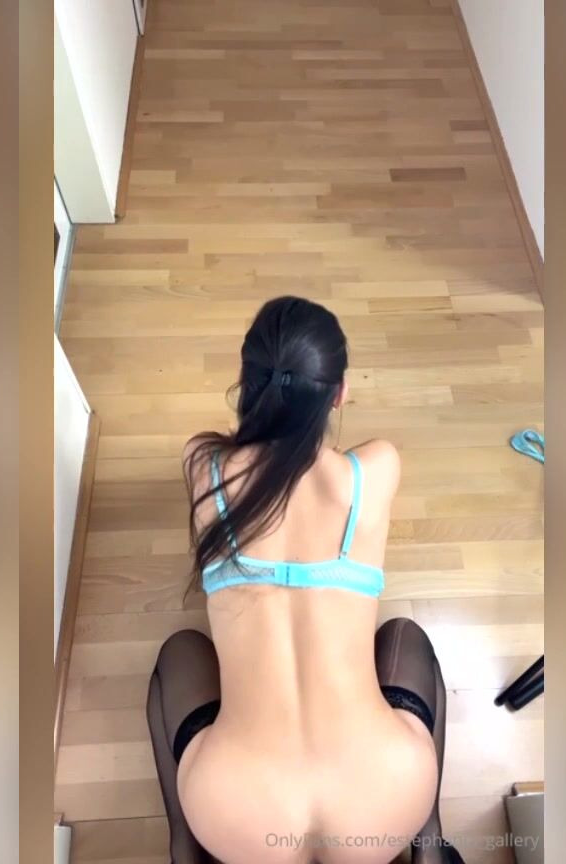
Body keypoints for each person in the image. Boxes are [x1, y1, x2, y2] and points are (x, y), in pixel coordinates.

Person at [148, 296, 460, 863]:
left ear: (248, 384)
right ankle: (429, 843)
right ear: (339, 393)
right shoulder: (374, 470)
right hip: (383, 805)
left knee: (180, 652)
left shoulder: (204, 466)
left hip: (239, 818)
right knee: (405, 637)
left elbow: (237, 453)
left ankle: (186, 849)